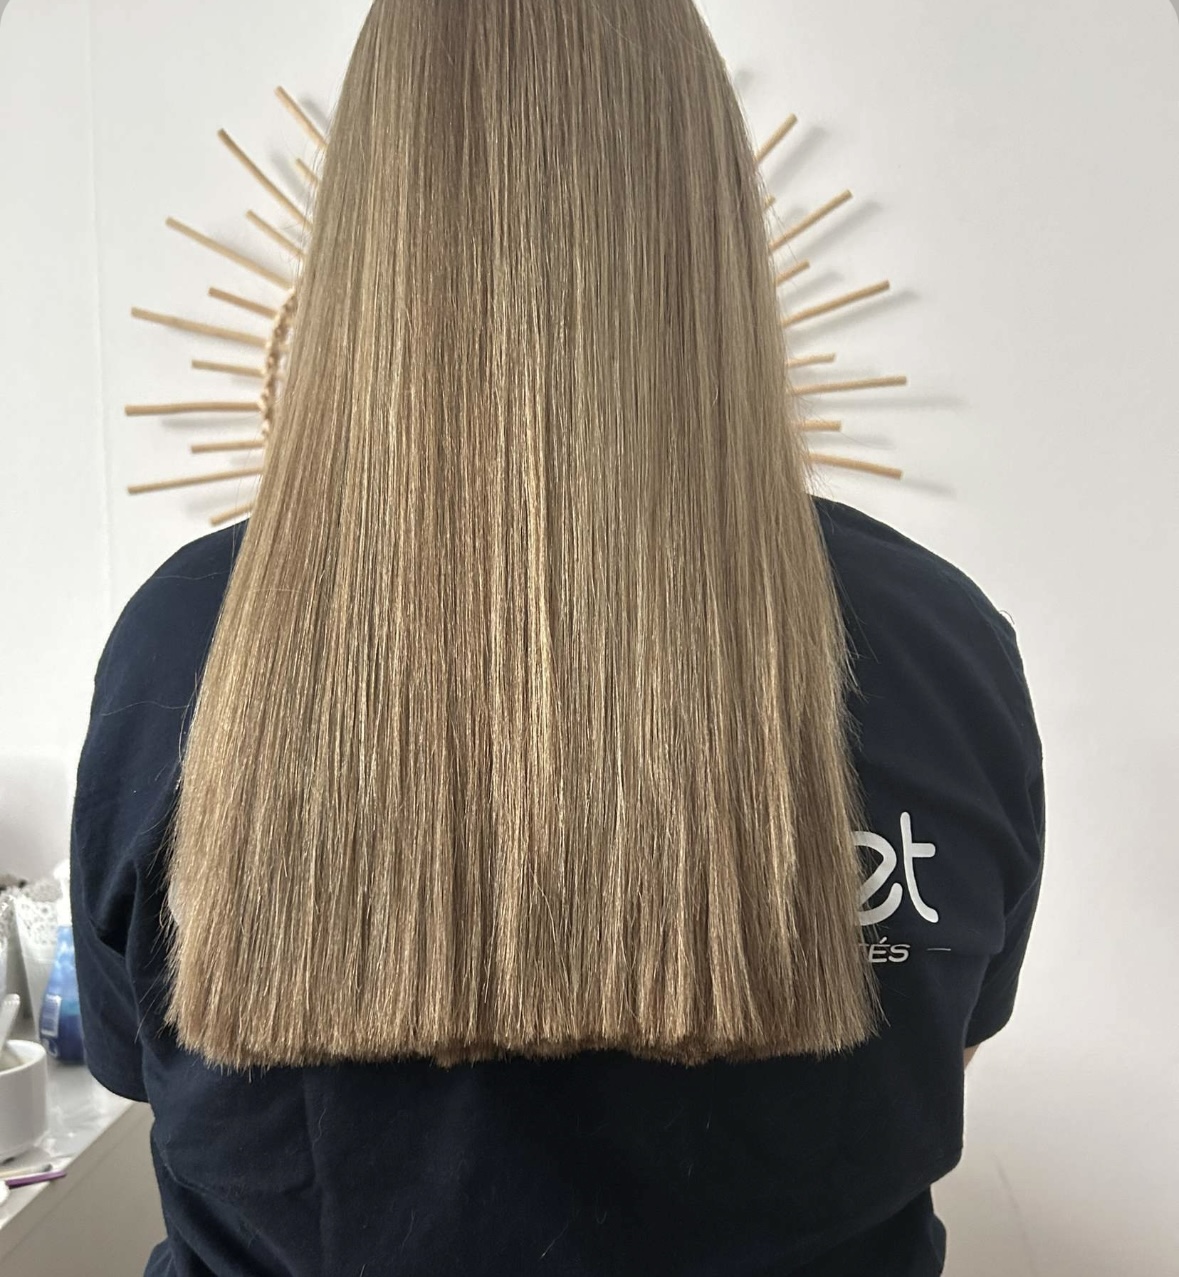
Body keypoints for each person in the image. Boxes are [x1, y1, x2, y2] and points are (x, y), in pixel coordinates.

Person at [69, 1, 1045, 1273]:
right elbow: (945, 1038)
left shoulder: (184, 649)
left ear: (369, 220)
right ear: (708, 214)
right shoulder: (936, 647)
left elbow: (138, 1070)